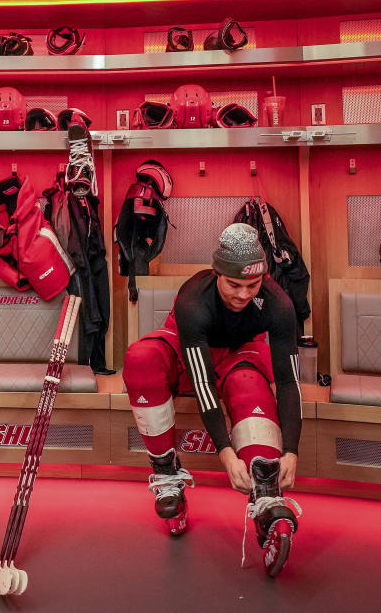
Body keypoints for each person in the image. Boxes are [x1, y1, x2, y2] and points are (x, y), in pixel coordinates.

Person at [122, 222, 303, 577]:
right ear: (218, 273)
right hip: (189, 352)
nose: (243, 294)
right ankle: (166, 473)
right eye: (234, 284)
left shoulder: (278, 304)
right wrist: (225, 452)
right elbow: (202, 381)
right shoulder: (194, 298)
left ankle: (266, 491)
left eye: (252, 285)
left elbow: (287, 380)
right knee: (140, 358)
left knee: (250, 380)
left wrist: (291, 451)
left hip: (239, 353)